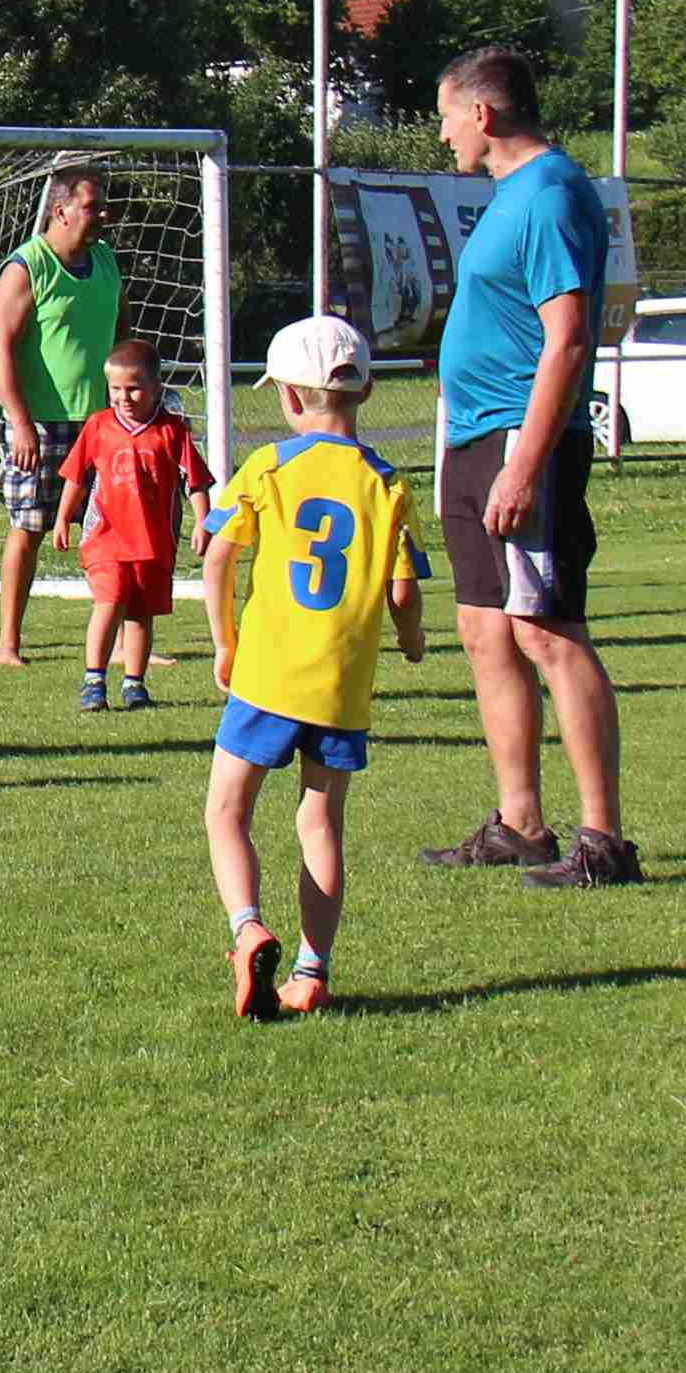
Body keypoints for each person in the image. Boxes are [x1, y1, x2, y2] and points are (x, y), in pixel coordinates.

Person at [413, 49, 638, 887]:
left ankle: (604, 844)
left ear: (483, 113)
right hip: (474, 437)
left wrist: (524, 467)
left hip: (520, 441)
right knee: (484, 629)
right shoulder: (511, 195)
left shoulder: (549, 195)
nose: (443, 134)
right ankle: (520, 826)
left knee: (547, 630)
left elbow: (568, 339)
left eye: (446, 115)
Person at [201, 315, 422, 1021]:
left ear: (290, 397)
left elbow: (217, 555)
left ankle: (247, 928)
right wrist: (412, 639)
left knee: (227, 810)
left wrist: (225, 641)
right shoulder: (387, 483)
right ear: (367, 392)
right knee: (320, 824)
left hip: (270, 675)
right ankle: (311, 969)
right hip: (342, 685)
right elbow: (404, 589)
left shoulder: (270, 466)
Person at [0, 162, 119, 670]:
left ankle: (121, 645)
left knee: (111, 531)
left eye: (103, 206)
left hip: (101, 423)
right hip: (39, 424)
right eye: (92, 207)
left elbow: (122, 335)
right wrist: (20, 423)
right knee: (30, 528)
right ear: (60, 211)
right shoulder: (27, 266)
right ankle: (9, 644)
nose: (103, 215)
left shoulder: (106, 260)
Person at [54, 341, 215, 713]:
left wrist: (202, 522)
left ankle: (134, 683)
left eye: (134, 389)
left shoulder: (172, 431)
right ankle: (94, 680)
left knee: (141, 613)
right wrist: (63, 518)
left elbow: (195, 481)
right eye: (116, 389)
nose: (123, 398)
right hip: (106, 538)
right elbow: (76, 476)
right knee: (109, 602)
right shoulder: (98, 426)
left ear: (156, 387)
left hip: (153, 542)